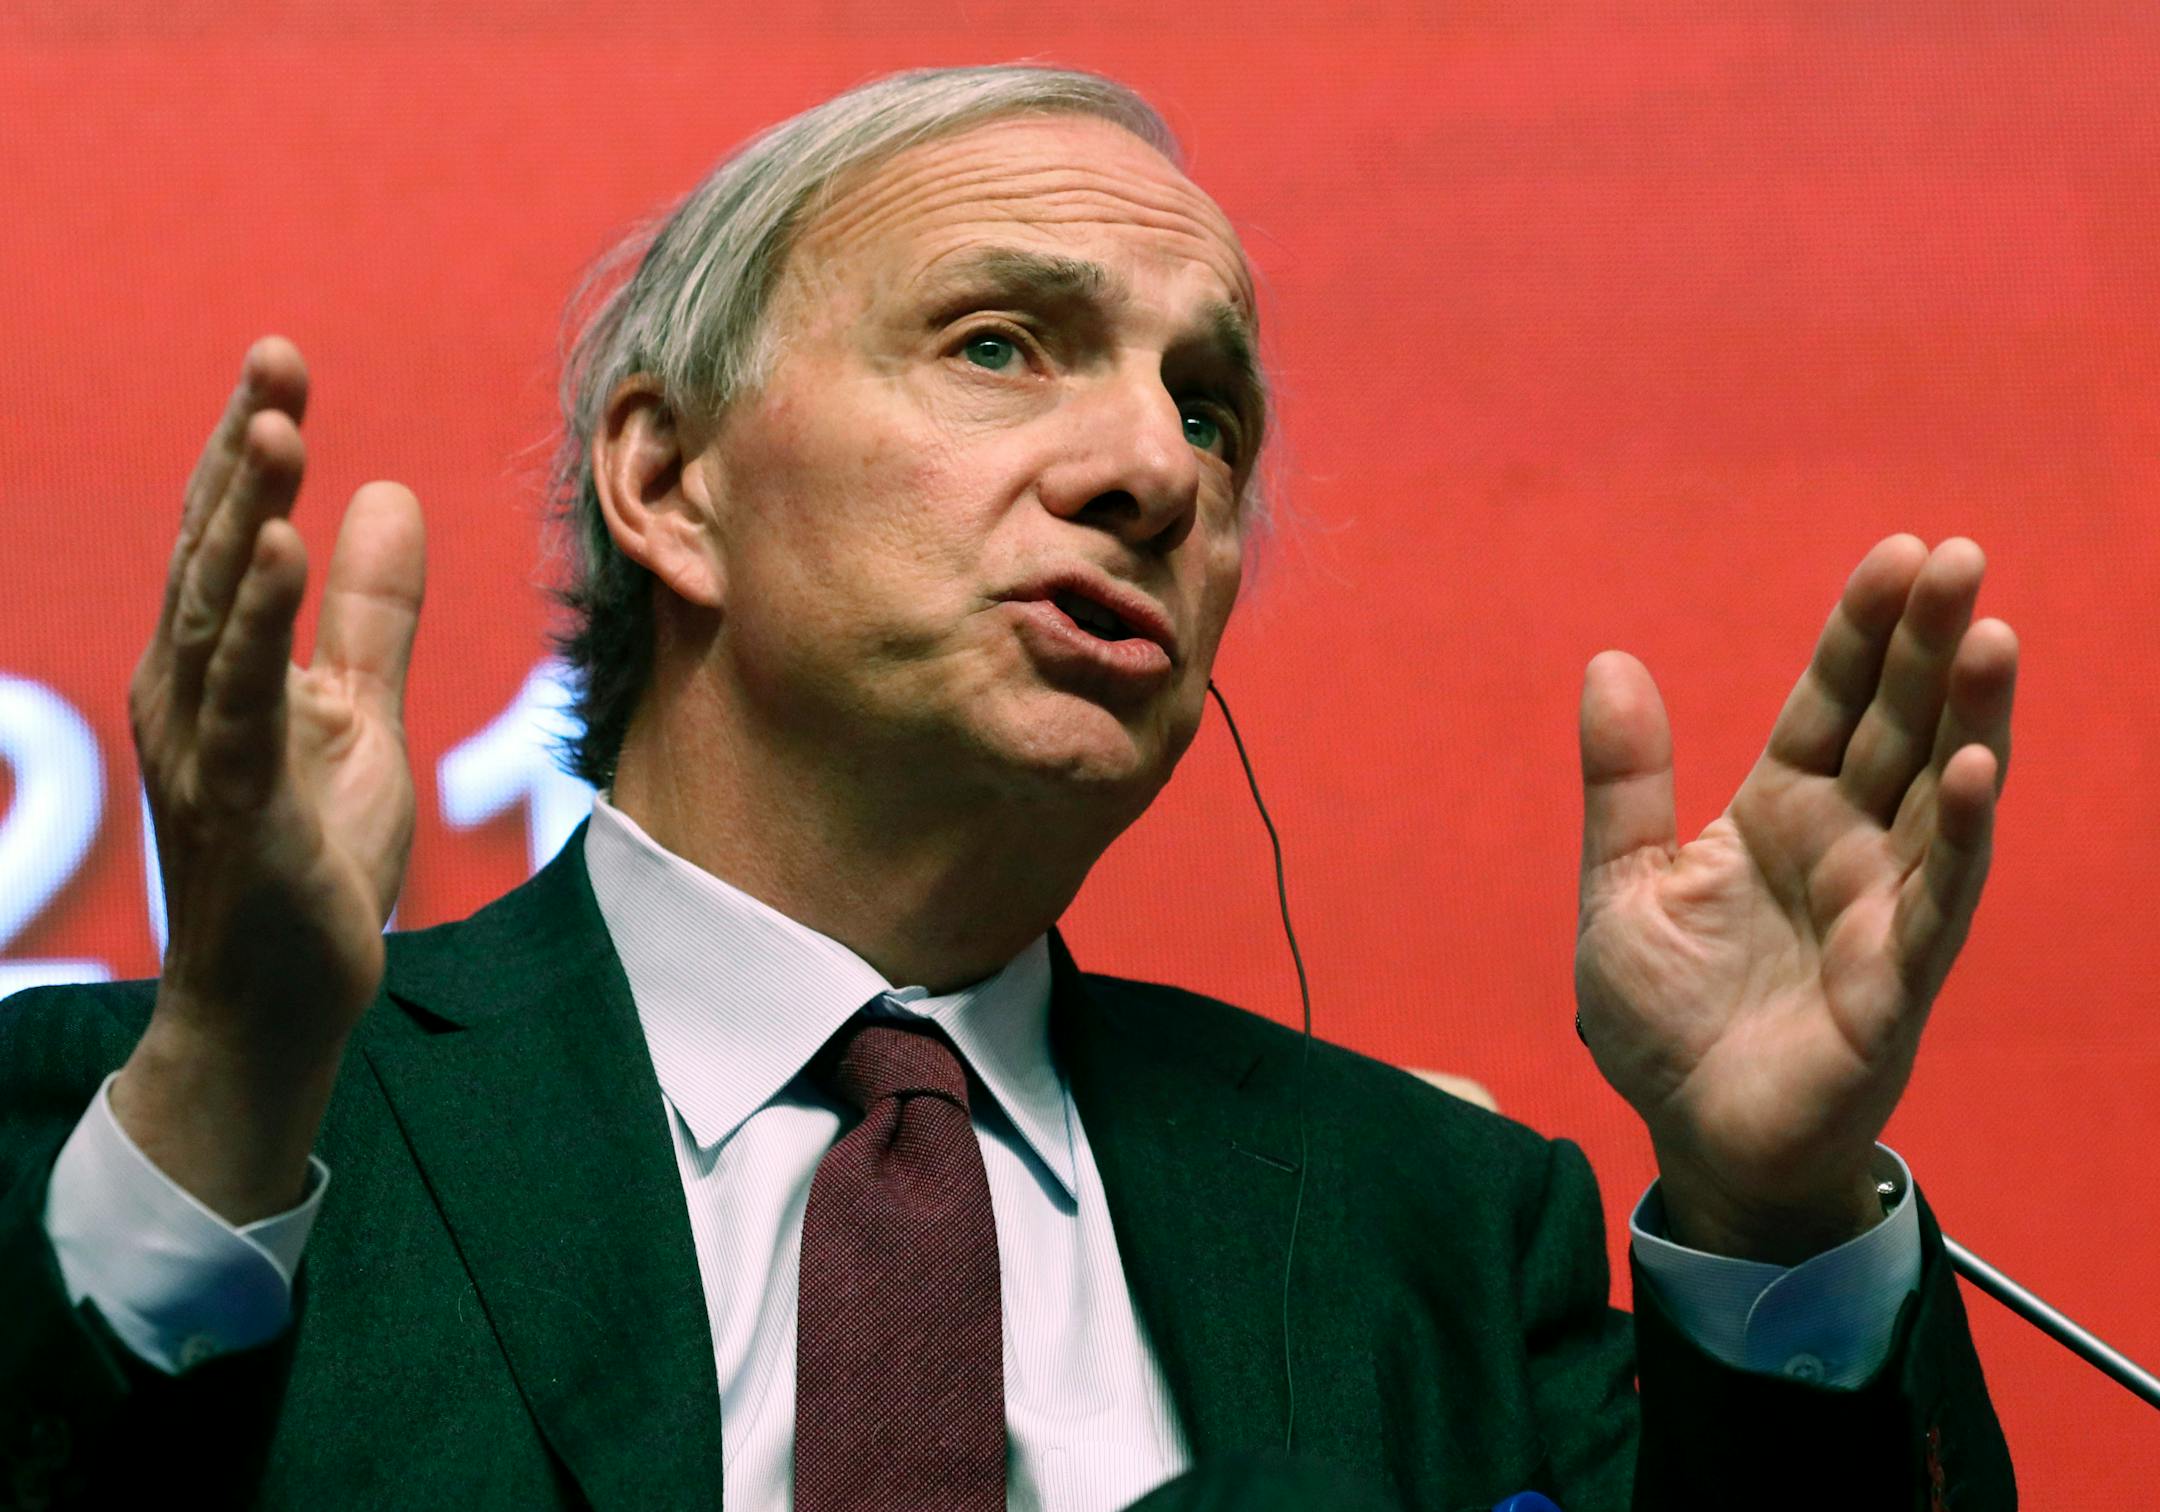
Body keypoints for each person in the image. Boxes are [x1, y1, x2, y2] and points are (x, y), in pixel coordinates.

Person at [0, 65, 2018, 1510]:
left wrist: (1770, 1207)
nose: (1154, 470)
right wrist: (237, 1078)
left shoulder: (1435, 1232)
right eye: (997, 345)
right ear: (669, 482)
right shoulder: (179, 1129)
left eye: (1207, 409)